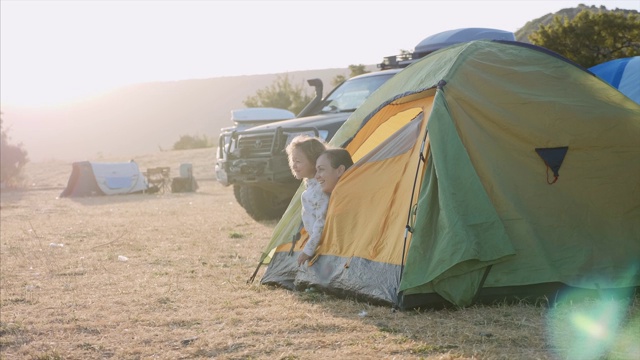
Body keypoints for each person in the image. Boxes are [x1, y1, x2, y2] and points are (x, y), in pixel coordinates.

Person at [284, 135, 329, 267]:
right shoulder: (310, 186)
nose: (294, 165)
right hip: (316, 244)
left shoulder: (320, 191)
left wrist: (308, 250)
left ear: (315, 162)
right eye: (292, 160)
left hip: (322, 246)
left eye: (298, 161)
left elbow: (321, 224)